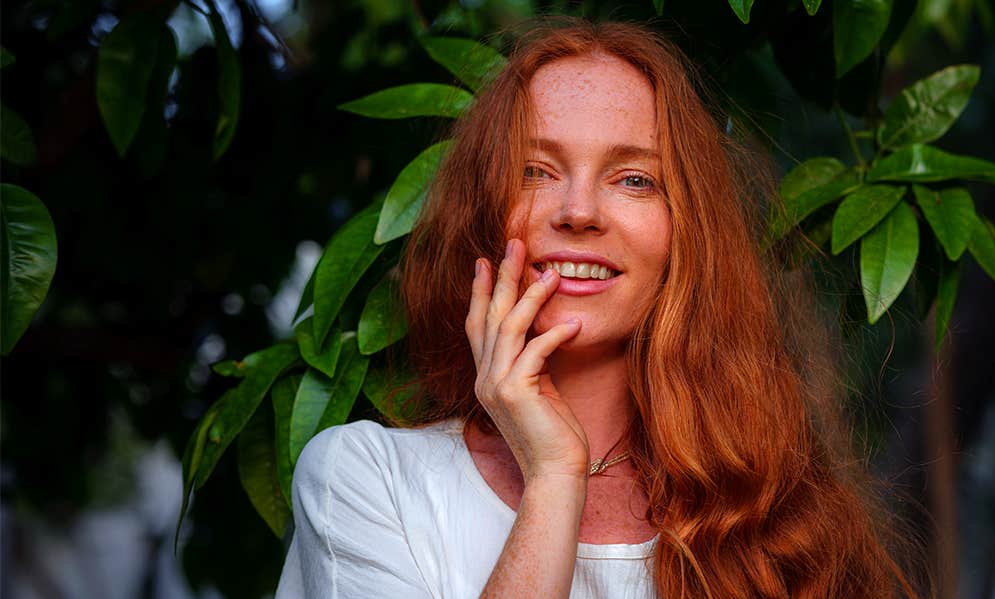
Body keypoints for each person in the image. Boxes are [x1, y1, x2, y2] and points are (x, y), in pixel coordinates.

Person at [277, 18, 920, 599]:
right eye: (535, 171)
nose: (578, 211)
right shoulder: (364, 482)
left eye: (633, 179)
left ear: (685, 234)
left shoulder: (777, 519)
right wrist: (556, 475)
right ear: (484, 212)